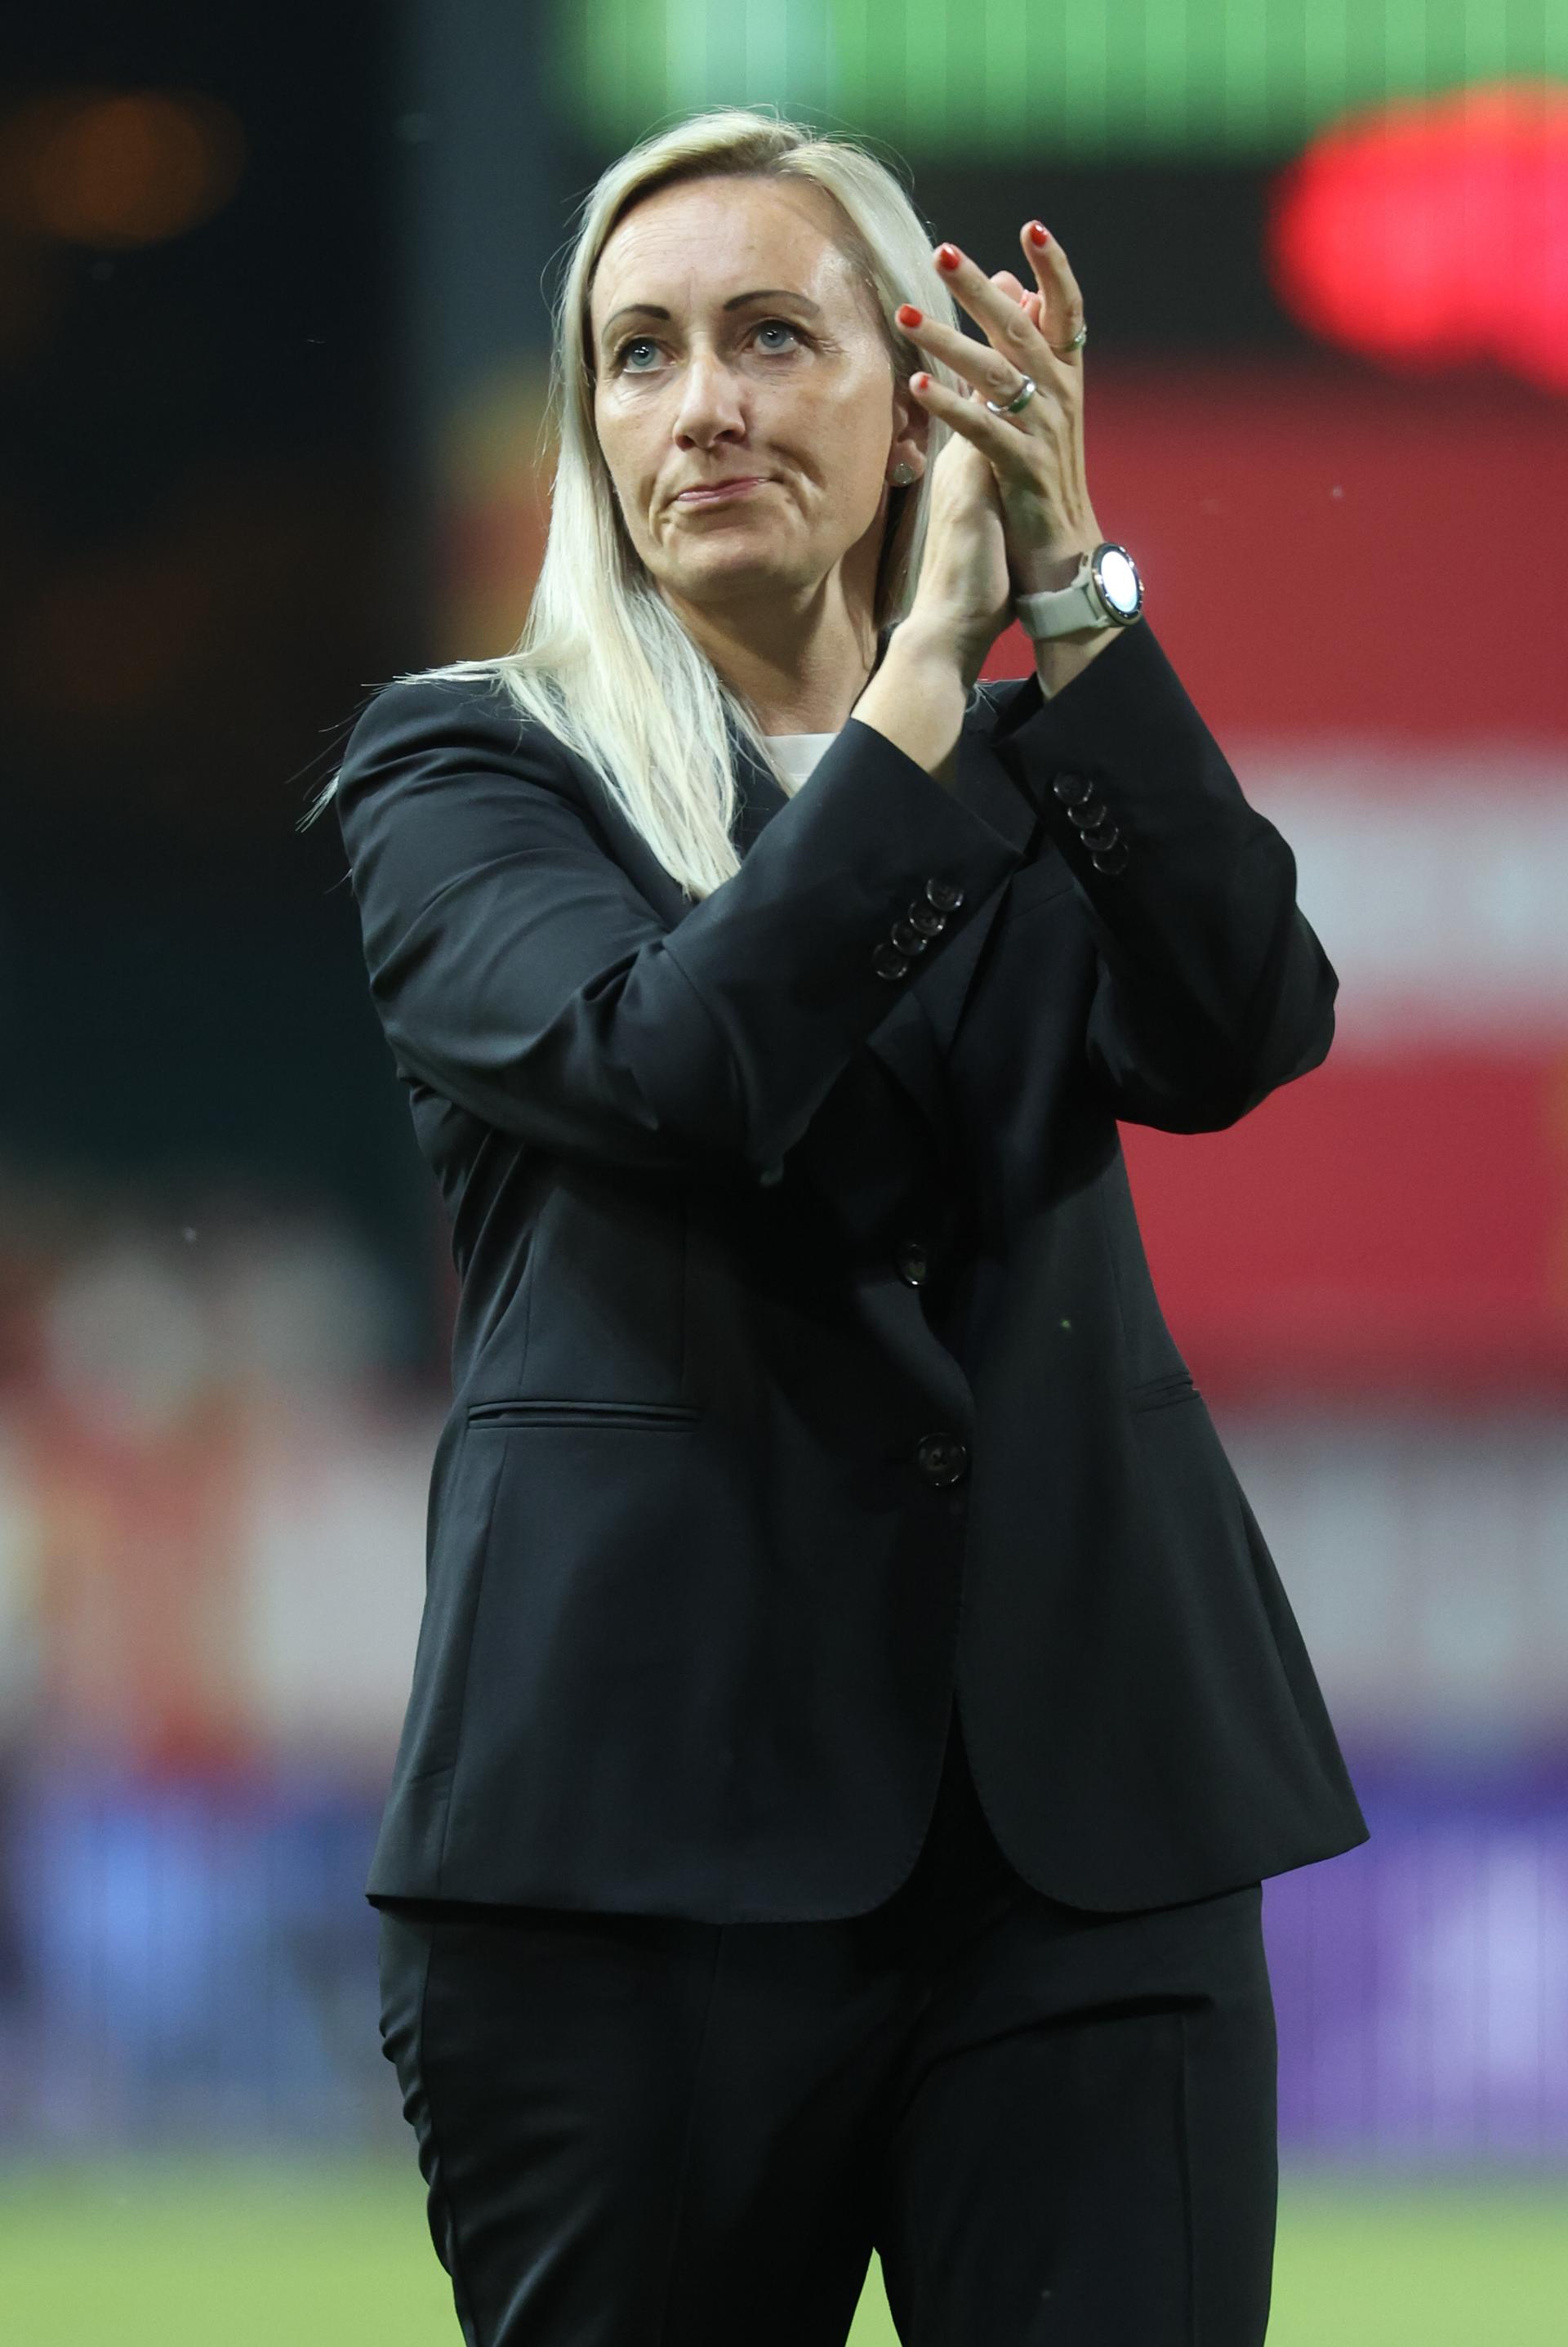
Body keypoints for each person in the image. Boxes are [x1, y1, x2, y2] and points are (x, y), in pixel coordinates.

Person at [318, 105, 1368, 2347]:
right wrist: (922, 685)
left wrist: (1068, 593)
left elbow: (1244, 1018)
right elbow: (686, 1067)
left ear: (921, 399)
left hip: (1084, 1824)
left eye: (773, 338)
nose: (697, 405)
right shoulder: (467, 776)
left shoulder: (1045, 765)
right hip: (631, 1856)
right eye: (639, 354)